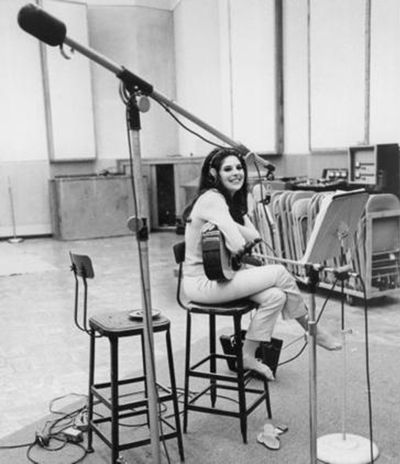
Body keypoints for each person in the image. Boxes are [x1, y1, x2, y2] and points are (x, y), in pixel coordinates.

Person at [182, 147, 341, 381]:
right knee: (279, 271)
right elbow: (238, 246)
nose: (236, 173)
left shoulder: (229, 201)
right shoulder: (212, 199)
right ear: (213, 174)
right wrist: (224, 221)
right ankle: (313, 330)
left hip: (223, 276)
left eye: (239, 168)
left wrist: (229, 220)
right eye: (228, 169)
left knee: (275, 296)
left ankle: (247, 354)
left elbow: (255, 237)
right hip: (202, 283)